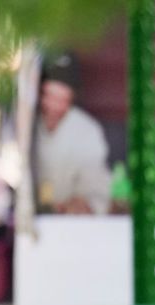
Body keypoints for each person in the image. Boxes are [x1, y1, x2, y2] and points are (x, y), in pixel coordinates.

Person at [32, 54, 112, 215]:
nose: (53, 106)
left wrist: (84, 204)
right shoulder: (25, 123)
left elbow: (96, 187)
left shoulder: (87, 131)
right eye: (49, 96)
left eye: (62, 100)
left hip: (69, 222)